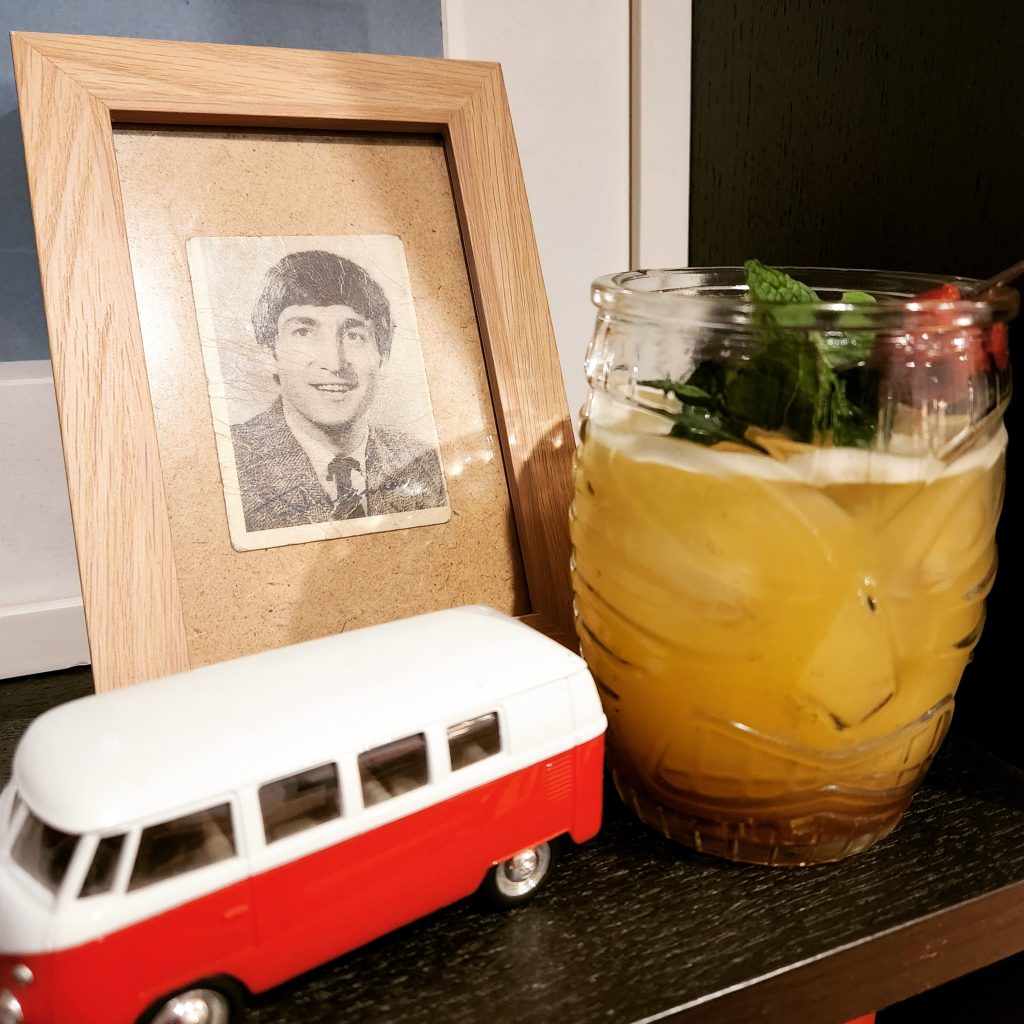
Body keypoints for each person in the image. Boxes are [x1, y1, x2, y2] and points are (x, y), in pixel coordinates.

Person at [230, 250, 447, 533]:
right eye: (304, 332)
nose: (334, 363)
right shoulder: (231, 462)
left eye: (354, 336)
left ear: (382, 354)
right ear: (270, 353)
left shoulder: (425, 464)